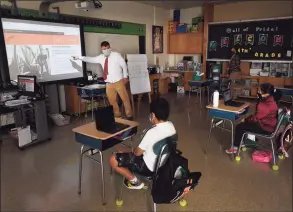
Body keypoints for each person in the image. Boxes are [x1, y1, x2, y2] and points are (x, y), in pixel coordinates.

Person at [109, 98, 176, 189]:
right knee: (126, 153)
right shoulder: (171, 126)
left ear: (153, 115)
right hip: (164, 164)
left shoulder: (151, 132)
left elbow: (137, 153)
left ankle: (135, 182)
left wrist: (126, 151)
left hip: (148, 168)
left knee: (113, 159)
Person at [72, 41, 133, 120]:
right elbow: (90, 59)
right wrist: (79, 57)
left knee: (125, 99)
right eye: (104, 49)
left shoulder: (116, 55)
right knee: (112, 101)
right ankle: (117, 115)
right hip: (109, 83)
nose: (106, 50)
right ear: (101, 49)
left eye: (107, 48)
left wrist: (125, 76)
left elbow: (124, 65)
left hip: (119, 81)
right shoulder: (100, 57)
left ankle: (129, 115)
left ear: (110, 47)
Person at [226, 83, 278, 154]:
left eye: (259, 91)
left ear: (265, 93)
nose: (258, 92)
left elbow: (256, 118)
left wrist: (246, 120)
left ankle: (235, 147)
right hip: (269, 125)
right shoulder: (271, 100)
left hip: (265, 128)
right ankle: (242, 141)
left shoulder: (265, 105)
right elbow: (258, 115)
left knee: (240, 127)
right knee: (245, 123)